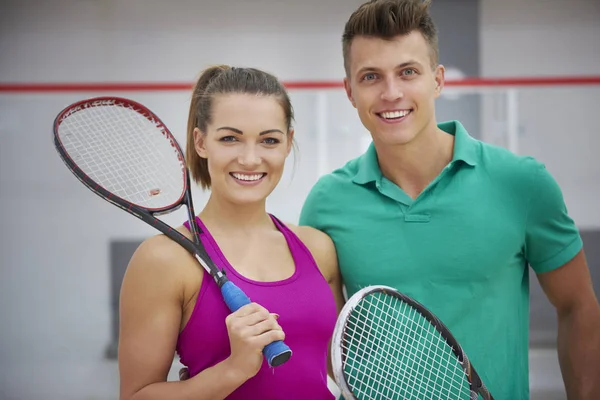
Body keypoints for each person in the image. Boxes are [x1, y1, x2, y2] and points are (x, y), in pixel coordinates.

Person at [298, 0, 600, 399]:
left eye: (408, 72)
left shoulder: (522, 183)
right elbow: (324, 338)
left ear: (438, 80)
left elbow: (578, 308)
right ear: (350, 91)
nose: (392, 93)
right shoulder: (326, 202)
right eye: (371, 76)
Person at [118, 65, 344, 400]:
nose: (250, 159)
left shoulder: (318, 249)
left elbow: (336, 373)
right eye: (230, 138)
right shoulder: (163, 260)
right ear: (201, 142)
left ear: (288, 143)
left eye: (269, 140)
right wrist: (233, 370)